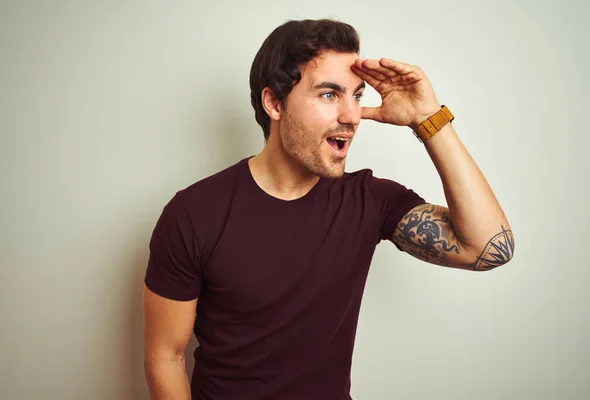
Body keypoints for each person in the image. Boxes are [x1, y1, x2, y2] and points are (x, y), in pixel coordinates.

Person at [142, 18, 515, 400]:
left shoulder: (369, 201)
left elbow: (487, 247)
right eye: (329, 95)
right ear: (274, 103)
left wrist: (428, 119)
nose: (352, 116)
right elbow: (165, 356)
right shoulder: (193, 214)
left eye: (356, 95)